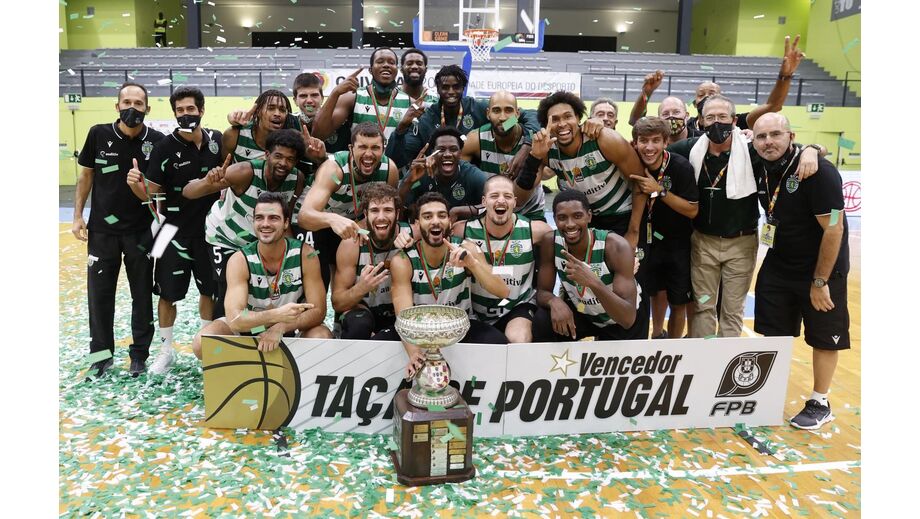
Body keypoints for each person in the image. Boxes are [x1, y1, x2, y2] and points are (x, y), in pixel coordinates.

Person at [666, 94, 822, 338]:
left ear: (734, 120)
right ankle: (704, 359)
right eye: (710, 117)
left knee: (731, 309)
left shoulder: (752, 151)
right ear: (701, 122)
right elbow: (651, 151)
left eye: (722, 117)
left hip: (741, 244)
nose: (716, 122)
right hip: (703, 244)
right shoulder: (688, 149)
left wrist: (813, 149)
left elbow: (790, 150)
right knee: (703, 306)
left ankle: (724, 365)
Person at [518, 90, 649, 339]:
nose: (561, 123)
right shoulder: (549, 149)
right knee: (577, 279)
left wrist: (633, 232)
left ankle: (631, 341)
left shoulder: (604, 139)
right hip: (586, 219)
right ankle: (579, 327)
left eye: (567, 116)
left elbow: (640, 183)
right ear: (547, 124)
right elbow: (522, 194)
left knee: (632, 279)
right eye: (554, 119)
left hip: (622, 215)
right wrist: (533, 154)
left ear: (579, 118)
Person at [750, 113, 849, 430]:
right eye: (761, 136)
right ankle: (766, 392)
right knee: (773, 330)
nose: (768, 142)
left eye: (775, 134)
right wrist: (815, 146)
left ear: (790, 136)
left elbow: (834, 230)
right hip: (779, 264)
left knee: (824, 338)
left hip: (822, 269)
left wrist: (820, 281)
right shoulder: (760, 162)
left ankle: (820, 401)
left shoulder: (821, 173)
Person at [74, 82, 165, 378]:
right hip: (102, 232)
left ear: (147, 109)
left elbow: (161, 192)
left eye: (138, 103)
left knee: (141, 296)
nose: (132, 108)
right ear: (117, 106)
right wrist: (78, 216)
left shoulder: (158, 141)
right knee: (99, 297)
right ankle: (101, 357)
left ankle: (139, 356)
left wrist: (142, 187)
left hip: (141, 232)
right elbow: (86, 175)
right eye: (126, 102)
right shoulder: (98, 134)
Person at [128, 86, 221, 374]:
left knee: (211, 293)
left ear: (202, 110)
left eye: (190, 109)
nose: (185, 115)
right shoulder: (164, 148)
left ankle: (209, 350)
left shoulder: (217, 141)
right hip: (170, 232)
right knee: (167, 295)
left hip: (211, 232)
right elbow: (150, 194)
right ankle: (166, 352)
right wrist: (135, 184)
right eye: (180, 111)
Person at [184, 129, 313, 320]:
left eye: (290, 159)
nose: (283, 163)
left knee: (259, 290)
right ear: (267, 154)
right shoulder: (244, 172)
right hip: (224, 236)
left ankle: (256, 331)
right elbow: (188, 192)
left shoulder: (297, 179)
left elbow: (284, 221)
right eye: (278, 156)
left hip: (257, 240)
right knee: (228, 288)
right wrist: (206, 181)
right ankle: (219, 338)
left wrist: (293, 254)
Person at [380, 192, 511, 375]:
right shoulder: (403, 260)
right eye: (427, 216)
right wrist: (415, 353)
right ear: (417, 225)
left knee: (500, 344)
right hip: (419, 332)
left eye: (441, 215)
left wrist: (472, 264)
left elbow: (503, 292)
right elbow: (403, 315)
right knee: (376, 349)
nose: (435, 221)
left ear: (449, 222)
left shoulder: (467, 248)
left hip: (459, 328)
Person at [191, 192, 332, 360]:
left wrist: (280, 326)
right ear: (253, 221)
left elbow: (319, 310)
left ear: (286, 222)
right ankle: (244, 368)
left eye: (273, 218)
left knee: (322, 337)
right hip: (247, 329)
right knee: (201, 343)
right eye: (259, 218)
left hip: (289, 328)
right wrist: (275, 316)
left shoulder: (305, 254)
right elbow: (236, 318)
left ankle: (298, 376)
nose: (265, 224)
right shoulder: (240, 260)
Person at [297, 122, 400, 288]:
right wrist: (332, 219)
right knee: (318, 277)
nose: (368, 154)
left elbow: (390, 211)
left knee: (349, 281)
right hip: (317, 222)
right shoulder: (334, 169)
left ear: (383, 149)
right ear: (351, 149)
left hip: (354, 222)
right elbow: (304, 216)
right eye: (362, 147)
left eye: (375, 148)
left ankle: (346, 312)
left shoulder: (390, 170)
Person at [631, 35, 805, 133]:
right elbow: (636, 121)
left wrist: (785, 75)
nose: (707, 97)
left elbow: (773, 105)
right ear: (693, 105)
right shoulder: (685, 124)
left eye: (712, 93)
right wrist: (646, 93)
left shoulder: (735, 121)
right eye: (701, 94)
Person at [452, 175, 553, 342]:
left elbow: (564, 251)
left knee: (518, 339)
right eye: (494, 196)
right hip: (475, 310)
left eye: (507, 196)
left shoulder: (536, 231)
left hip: (516, 306)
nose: (501, 201)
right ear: (484, 201)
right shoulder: (462, 231)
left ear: (515, 201)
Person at [387, 65, 541, 171]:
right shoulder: (427, 118)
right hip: (439, 179)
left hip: (473, 181)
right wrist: (401, 127)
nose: (451, 92)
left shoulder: (478, 108)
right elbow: (399, 159)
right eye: (445, 87)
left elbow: (528, 116)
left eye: (456, 87)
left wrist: (527, 145)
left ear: (463, 88)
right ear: (438, 89)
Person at [532, 190, 638, 341]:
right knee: (542, 321)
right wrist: (554, 301)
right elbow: (542, 291)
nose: (570, 224)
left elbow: (627, 318)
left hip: (619, 319)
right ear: (554, 219)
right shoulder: (550, 242)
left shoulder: (616, 246)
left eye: (577, 216)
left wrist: (593, 282)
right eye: (562, 218)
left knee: (608, 362)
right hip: (583, 312)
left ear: (589, 216)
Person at [627, 117, 698, 339]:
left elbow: (692, 210)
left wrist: (659, 191)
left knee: (678, 300)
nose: (649, 147)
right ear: (635, 143)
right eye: (644, 141)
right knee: (651, 293)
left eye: (656, 140)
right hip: (646, 240)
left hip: (677, 242)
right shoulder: (630, 165)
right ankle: (657, 334)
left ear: (666, 142)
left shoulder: (680, 166)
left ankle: (674, 346)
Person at [331, 183, 411, 339]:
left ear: (397, 213)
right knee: (358, 324)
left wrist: (413, 247)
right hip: (364, 311)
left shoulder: (412, 235)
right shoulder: (352, 244)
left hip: (400, 310)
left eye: (388, 210)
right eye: (375, 210)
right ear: (366, 215)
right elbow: (337, 303)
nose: (381, 217)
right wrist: (361, 287)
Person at [461, 90, 546, 221]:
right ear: (487, 114)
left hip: (529, 212)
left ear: (517, 114)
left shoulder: (535, 142)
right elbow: (462, 181)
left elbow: (520, 200)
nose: (503, 117)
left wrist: (527, 147)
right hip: (491, 212)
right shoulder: (475, 139)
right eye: (496, 111)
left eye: (508, 110)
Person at [311, 48, 420, 145]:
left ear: (397, 69)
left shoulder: (410, 102)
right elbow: (318, 135)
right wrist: (335, 93)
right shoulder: (353, 97)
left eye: (391, 62)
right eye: (380, 61)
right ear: (370, 69)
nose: (386, 65)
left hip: (394, 167)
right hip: (361, 165)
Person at [400, 126, 490, 222]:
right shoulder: (420, 171)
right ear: (432, 152)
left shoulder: (472, 175)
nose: (447, 154)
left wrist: (459, 211)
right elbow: (397, 207)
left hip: (462, 231)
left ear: (460, 153)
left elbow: (492, 205)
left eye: (453, 149)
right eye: (441, 150)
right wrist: (408, 182)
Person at [222, 89, 303, 164]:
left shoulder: (292, 141)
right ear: (258, 112)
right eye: (271, 108)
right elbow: (224, 167)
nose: (277, 114)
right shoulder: (235, 135)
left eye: (282, 110)